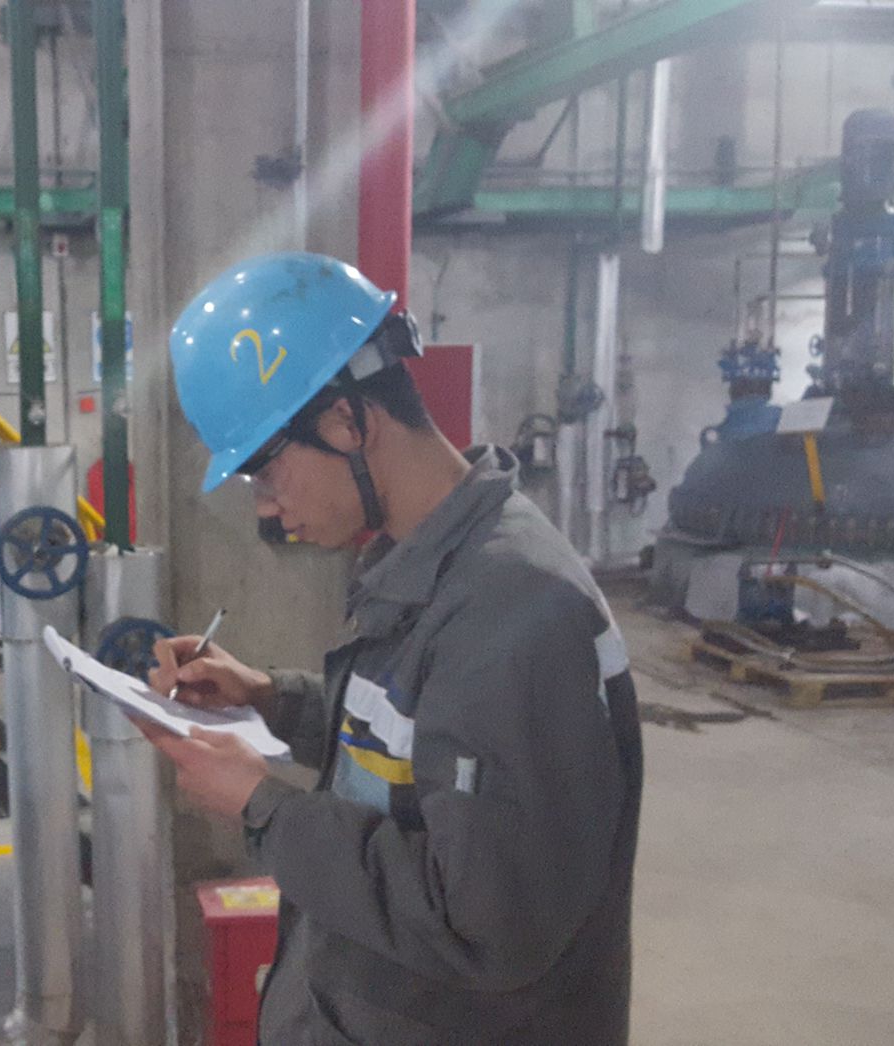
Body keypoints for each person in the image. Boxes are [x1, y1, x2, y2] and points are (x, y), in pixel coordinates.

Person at [140, 252, 643, 1045]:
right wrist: (270, 699)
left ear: (348, 421)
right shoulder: (425, 563)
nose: (266, 508)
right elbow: (420, 743)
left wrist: (262, 805)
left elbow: (482, 921)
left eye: (266, 471)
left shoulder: (515, 609)